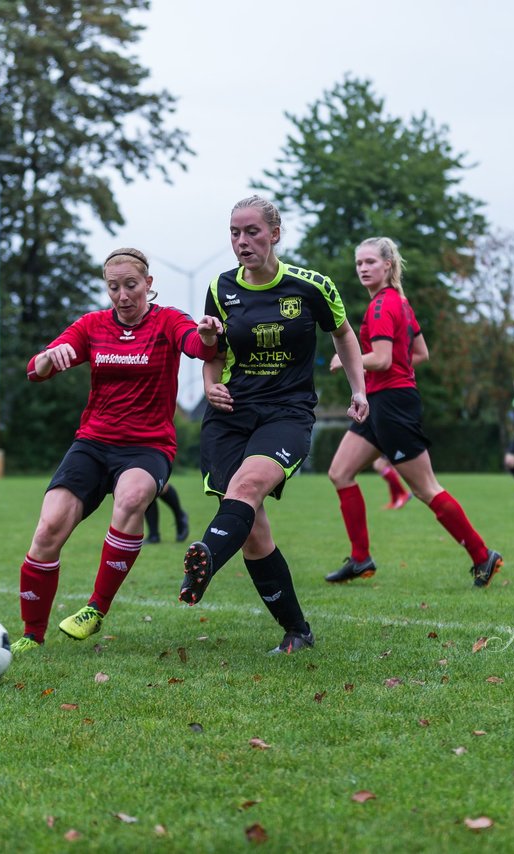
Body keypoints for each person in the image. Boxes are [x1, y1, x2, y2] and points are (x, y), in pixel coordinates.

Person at [179, 195, 369, 654]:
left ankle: (202, 558)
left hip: (286, 412)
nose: (242, 241)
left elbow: (342, 332)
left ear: (275, 234)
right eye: (234, 233)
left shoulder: (312, 285)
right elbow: (214, 352)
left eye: (252, 232)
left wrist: (359, 389)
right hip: (229, 416)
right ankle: (297, 631)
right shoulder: (221, 288)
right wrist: (209, 381)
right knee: (253, 531)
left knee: (246, 489)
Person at [12, 248, 221, 651]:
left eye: (130, 285)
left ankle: (95, 608)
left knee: (132, 496)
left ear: (148, 284)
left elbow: (199, 347)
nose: (123, 295)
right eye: (113, 287)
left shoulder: (167, 320)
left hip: (147, 445)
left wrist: (209, 334)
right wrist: (45, 360)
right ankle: (31, 635)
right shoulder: (93, 325)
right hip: (92, 442)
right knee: (48, 528)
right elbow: (36, 369)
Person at [325, 236, 503, 586]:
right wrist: (393, 373)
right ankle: (360, 559)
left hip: (392, 404)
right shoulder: (399, 304)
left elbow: (383, 358)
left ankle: (483, 556)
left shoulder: (381, 307)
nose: (362, 268)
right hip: (380, 400)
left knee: (426, 489)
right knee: (340, 472)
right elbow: (419, 353)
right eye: (359, 263)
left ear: (387, 266)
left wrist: (347, 359)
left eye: (370, 262)